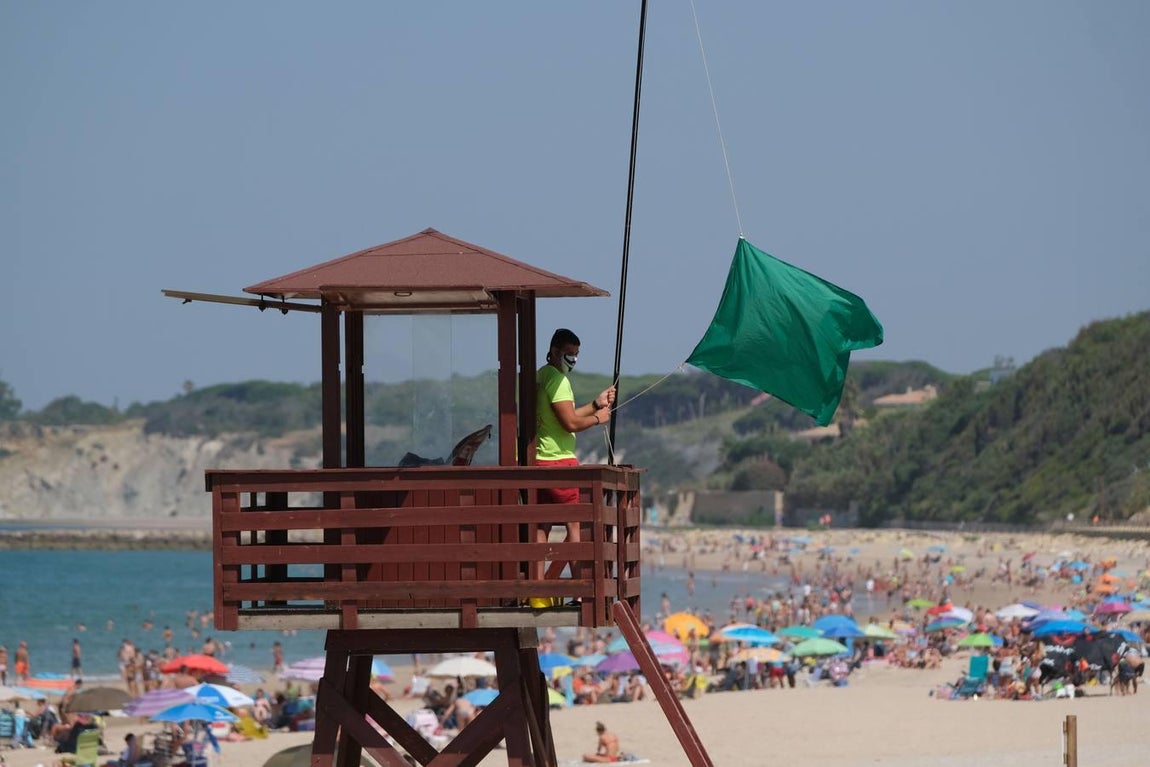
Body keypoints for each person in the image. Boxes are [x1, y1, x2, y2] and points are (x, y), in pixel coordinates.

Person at [535, 328, 615, 544]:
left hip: (539, 463)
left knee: (541, 526)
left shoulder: (542, 375)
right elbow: (570, 423)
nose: (574, 359)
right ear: (554, 351)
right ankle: (578, 577)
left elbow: (564, 418)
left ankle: (538, 577)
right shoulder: (559, 381)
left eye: (577, 354)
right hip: (560, 462)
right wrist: (598, 419)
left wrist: (596, 405)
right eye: (570, 353)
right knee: (575, 526)